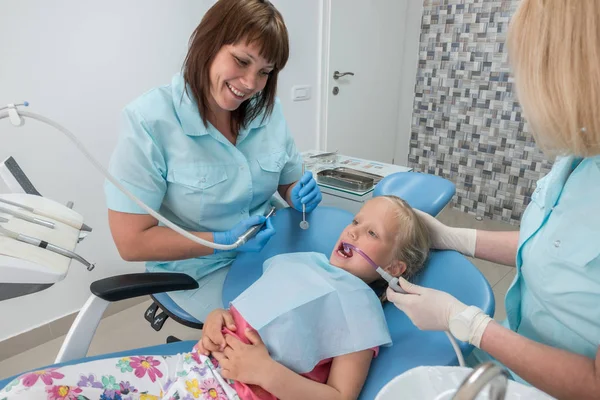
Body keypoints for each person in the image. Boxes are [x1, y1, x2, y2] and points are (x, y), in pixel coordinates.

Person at [1, 196, 430, 400]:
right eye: (356, 221)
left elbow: (340, 397)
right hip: (189, 366)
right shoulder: (304, 265)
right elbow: (241, 315)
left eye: (372, 233)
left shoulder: (359, 308)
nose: (352, 231)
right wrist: (216, 318)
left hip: (234, 394)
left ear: (394, 268)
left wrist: (264, 372)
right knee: (30, 392)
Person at [385, 1, 600, 399]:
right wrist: (455, 237)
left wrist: (467, 322)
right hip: (517, 365)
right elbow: (554, 248)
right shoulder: (583, 153)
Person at [104, 0, 322, 322]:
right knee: (286, 328)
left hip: (268, 249)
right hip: (199, 270)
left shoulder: (268, 109)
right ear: (209, 42)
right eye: (241, 61)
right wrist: (223, 242)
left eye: (264, 72)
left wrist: (296, 192)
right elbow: (131, 242)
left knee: (331, 297)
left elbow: (287, 178)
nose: (250, 83)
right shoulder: (149, 121)